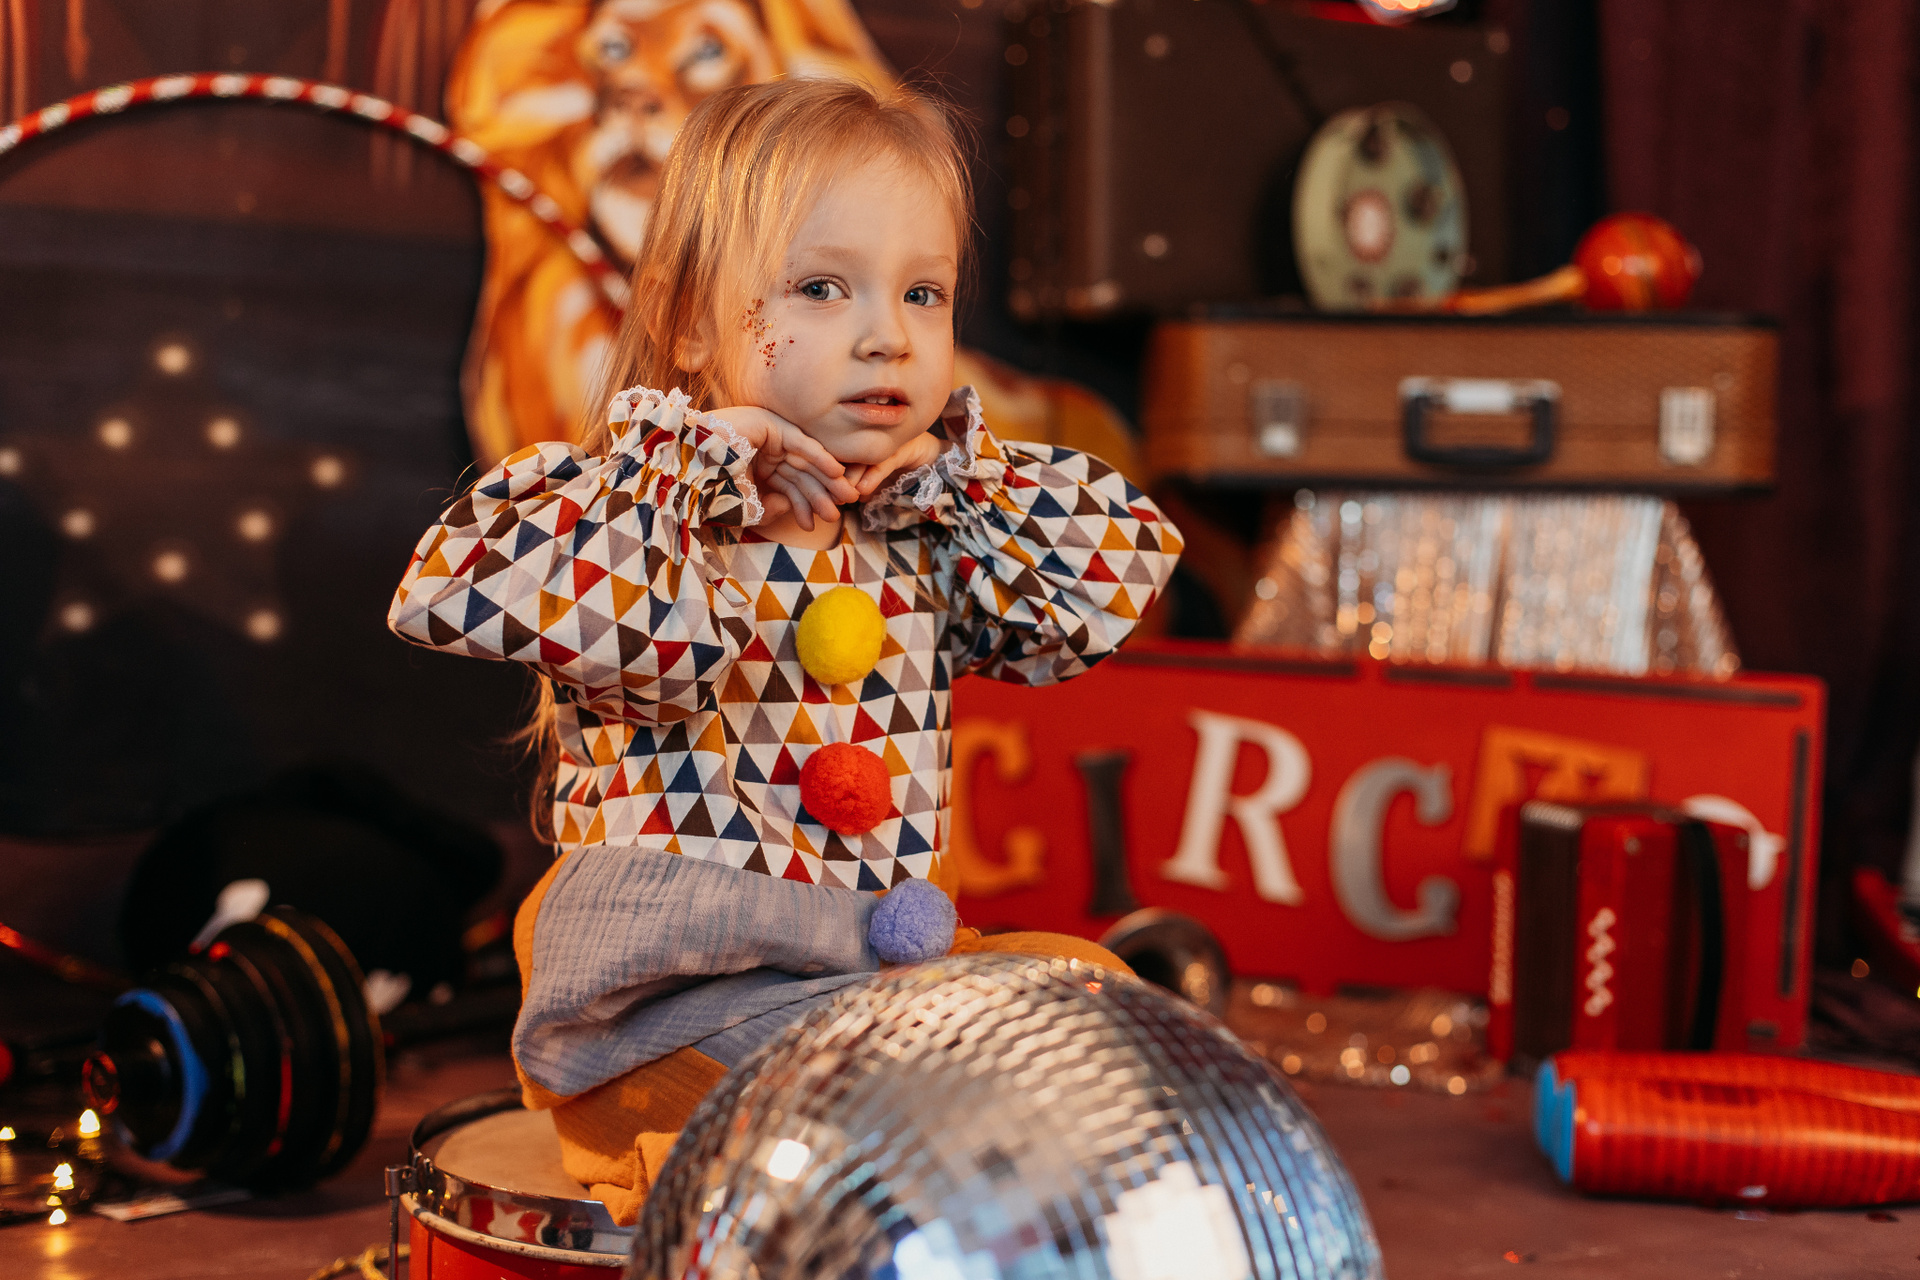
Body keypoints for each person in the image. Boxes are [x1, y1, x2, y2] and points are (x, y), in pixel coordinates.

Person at [388, 77, 1183, 1222]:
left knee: (1100, 1001)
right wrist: (689, 466)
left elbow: (1095, 588)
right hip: (669, 1024)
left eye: (923, 292)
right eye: (821, 287)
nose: (887, 333)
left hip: (862, 991)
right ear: (689, 321)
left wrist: (961, 484)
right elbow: (456, 584)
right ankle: (718, 1178)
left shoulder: (922, 529)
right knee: (916, 1089)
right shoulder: (649, 518)